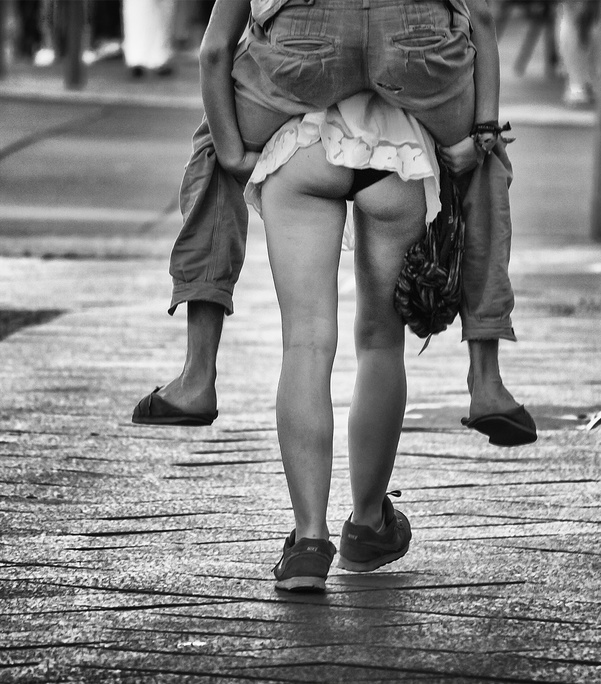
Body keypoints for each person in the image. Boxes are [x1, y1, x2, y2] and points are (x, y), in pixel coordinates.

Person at [131, 0, 537, 447]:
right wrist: (483, 132)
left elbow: (213, 52)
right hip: (414, 41)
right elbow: (482, 18)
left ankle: (197, 375)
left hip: (307, 43)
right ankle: (487, 380)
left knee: (217, 130)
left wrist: (231, 152)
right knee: (482, 159)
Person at [249, 93, 437, 591]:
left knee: (305, 343)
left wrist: (230, 147)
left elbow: (222, 59)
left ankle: (309, 544)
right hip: (395, 149)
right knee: (381, 342)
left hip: (302, 143)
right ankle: (369, 524)